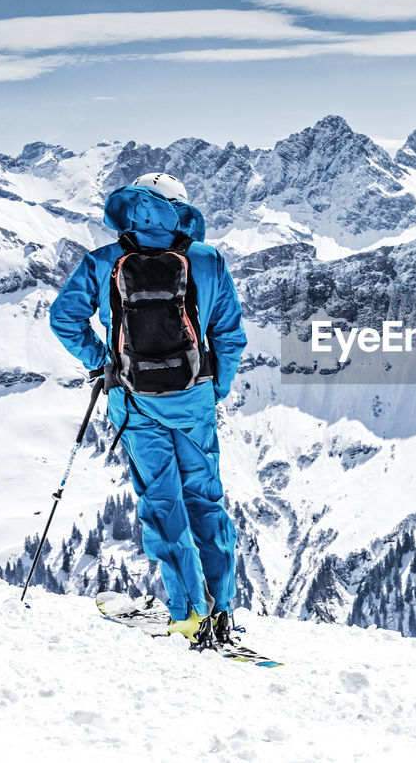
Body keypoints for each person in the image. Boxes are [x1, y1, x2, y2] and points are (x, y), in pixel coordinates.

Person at [49, 172, 247, 647]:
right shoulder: (206, 260)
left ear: (130, 209)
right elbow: (229, 335)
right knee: (206, 502)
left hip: (135, 405)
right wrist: (212, 388)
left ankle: (187, 615)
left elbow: (63, 318)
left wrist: (104, 362)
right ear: (180, 209)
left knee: (163, 506)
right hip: (194, 402)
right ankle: (221, 613)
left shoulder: (103, 262)